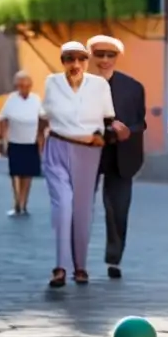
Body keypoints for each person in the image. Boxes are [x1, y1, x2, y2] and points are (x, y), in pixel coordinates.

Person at [38, 41, 115, 288]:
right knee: (63, 206)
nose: (75, 64)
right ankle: (60, 267)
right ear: (63, 62)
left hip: (87, 152)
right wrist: (39, 145)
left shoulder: (99, 85)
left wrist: (103, 136)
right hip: (57, 148)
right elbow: (44, 117)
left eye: (81, 59)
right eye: (69, 59)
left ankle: (80, 266)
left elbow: (109, 119)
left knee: (82, 210)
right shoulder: (52, 83)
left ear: (87, 61)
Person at [88, 34, 147, 279]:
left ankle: (114, 260)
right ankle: (75, 260)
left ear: (117, 57)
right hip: (87, 153)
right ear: (91, 56)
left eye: (109, 54)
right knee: (78, 209)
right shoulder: (81, 85)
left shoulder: (133, 87)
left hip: (121, 156)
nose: (104, 59)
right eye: (99, 54)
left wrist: (127, 132)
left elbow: (140, 123)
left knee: (118, 211)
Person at [0, 71, 43, 216]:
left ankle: (23, 203)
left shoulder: (36, 99)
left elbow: (43, 119)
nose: (24, 87)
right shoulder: (11, 99)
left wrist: (41, 139)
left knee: (27, 174)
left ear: (30, 86)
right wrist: (1, 139)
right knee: (15, 173)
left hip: (31, 141)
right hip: (15, 141)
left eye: (27, 85)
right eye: (21, 85)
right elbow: (2, 118)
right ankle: (17, 201)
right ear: (17, 86)